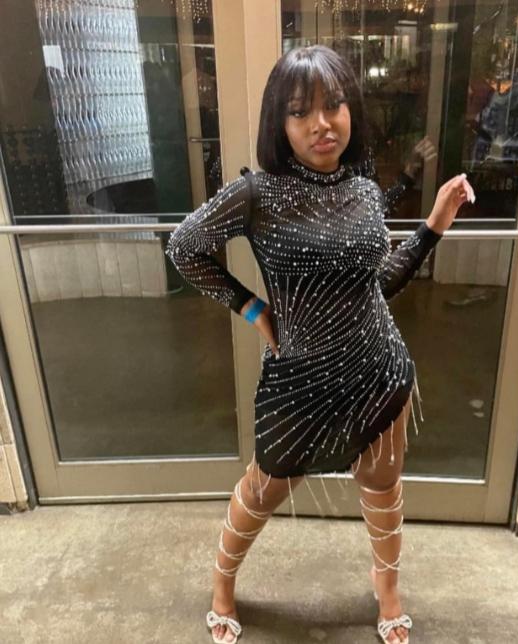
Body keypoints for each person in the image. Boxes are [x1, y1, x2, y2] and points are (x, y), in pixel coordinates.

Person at [166, 45, 475, 644]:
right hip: (297, 383)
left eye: (333, 105)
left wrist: (433, 226)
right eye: (300, 111)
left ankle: (388, 589)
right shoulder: (256, 193)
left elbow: (378, 285)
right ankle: (223, 581)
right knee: (262, 489)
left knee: (382, 488)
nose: (321, 123)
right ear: (279, 123)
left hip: (377, 373)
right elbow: (184, 247)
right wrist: (251, 307)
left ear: (351, 108)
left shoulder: (364, 190)